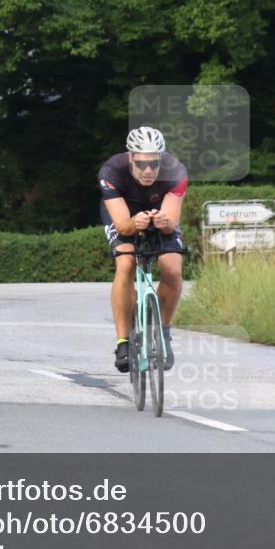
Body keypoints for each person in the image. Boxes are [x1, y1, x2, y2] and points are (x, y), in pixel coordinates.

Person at [99, 126, 187, 373]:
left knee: (172, 270)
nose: (148, 170)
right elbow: (123, 225)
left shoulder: (175, 171)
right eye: (141, 164)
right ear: (130, 158)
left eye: (154, 164)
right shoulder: (111, 171)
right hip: (124, 214)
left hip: (159, 214)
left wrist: (164, 223)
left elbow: (171, 224)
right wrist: (132, 223)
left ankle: (163, 333)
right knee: (125, 264)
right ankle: (123, 342)